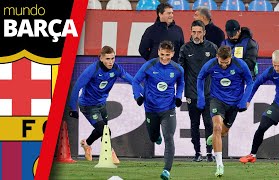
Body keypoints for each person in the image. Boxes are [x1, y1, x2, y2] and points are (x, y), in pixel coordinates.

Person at [68, 45, 137, 161]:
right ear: (101, 58)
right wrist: (73, 108)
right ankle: (110, 154)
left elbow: (133, 81)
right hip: (88, 105)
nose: (111, 62)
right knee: (106, 130)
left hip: (101, 104)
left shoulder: (116, 69)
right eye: (108, 59)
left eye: (113, 58)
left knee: (101, 129)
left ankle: (87, 144)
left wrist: (144, 93)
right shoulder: (92, 70)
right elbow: (76, 88)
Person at [197, 46, 253, 177]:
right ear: (217, 57)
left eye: (226, 63)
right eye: (221, 63)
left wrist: (244, 100)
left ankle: (215, 136)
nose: (223, 65)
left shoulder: (240, 65)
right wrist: (200, 97)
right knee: (216, 127)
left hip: (234, 103)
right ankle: (219, 165)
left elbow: (250, 82)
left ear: (231, 58)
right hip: (217, 100)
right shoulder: (211, 64)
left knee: (223, 132)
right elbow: (200, 77)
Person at [133, 40, 184, 180]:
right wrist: (137, 96)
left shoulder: (178, 69)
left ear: (173, 54)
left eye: (168, 55)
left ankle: (167, 170)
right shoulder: (149, 65)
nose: (164, 58)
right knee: (153, 137)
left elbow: (181, 83)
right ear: (158, 52)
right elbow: (136, 81)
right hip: (151, 109)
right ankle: (156, 136)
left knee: (169, 138)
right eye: (162, 54)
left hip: (168, 109)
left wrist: (179, 96)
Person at [178, 20, 218, 162]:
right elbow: (180, 71)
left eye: (199, 32)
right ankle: (197, 152)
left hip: (208, 94)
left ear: (204, 33)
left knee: (209, 123)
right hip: (191, 93)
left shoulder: (212, 48)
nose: (196, 35)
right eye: (194, 32)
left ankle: (209, 153)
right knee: (194, 124)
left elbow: (218, 70)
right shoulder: (185, 49)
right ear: (190, 32)